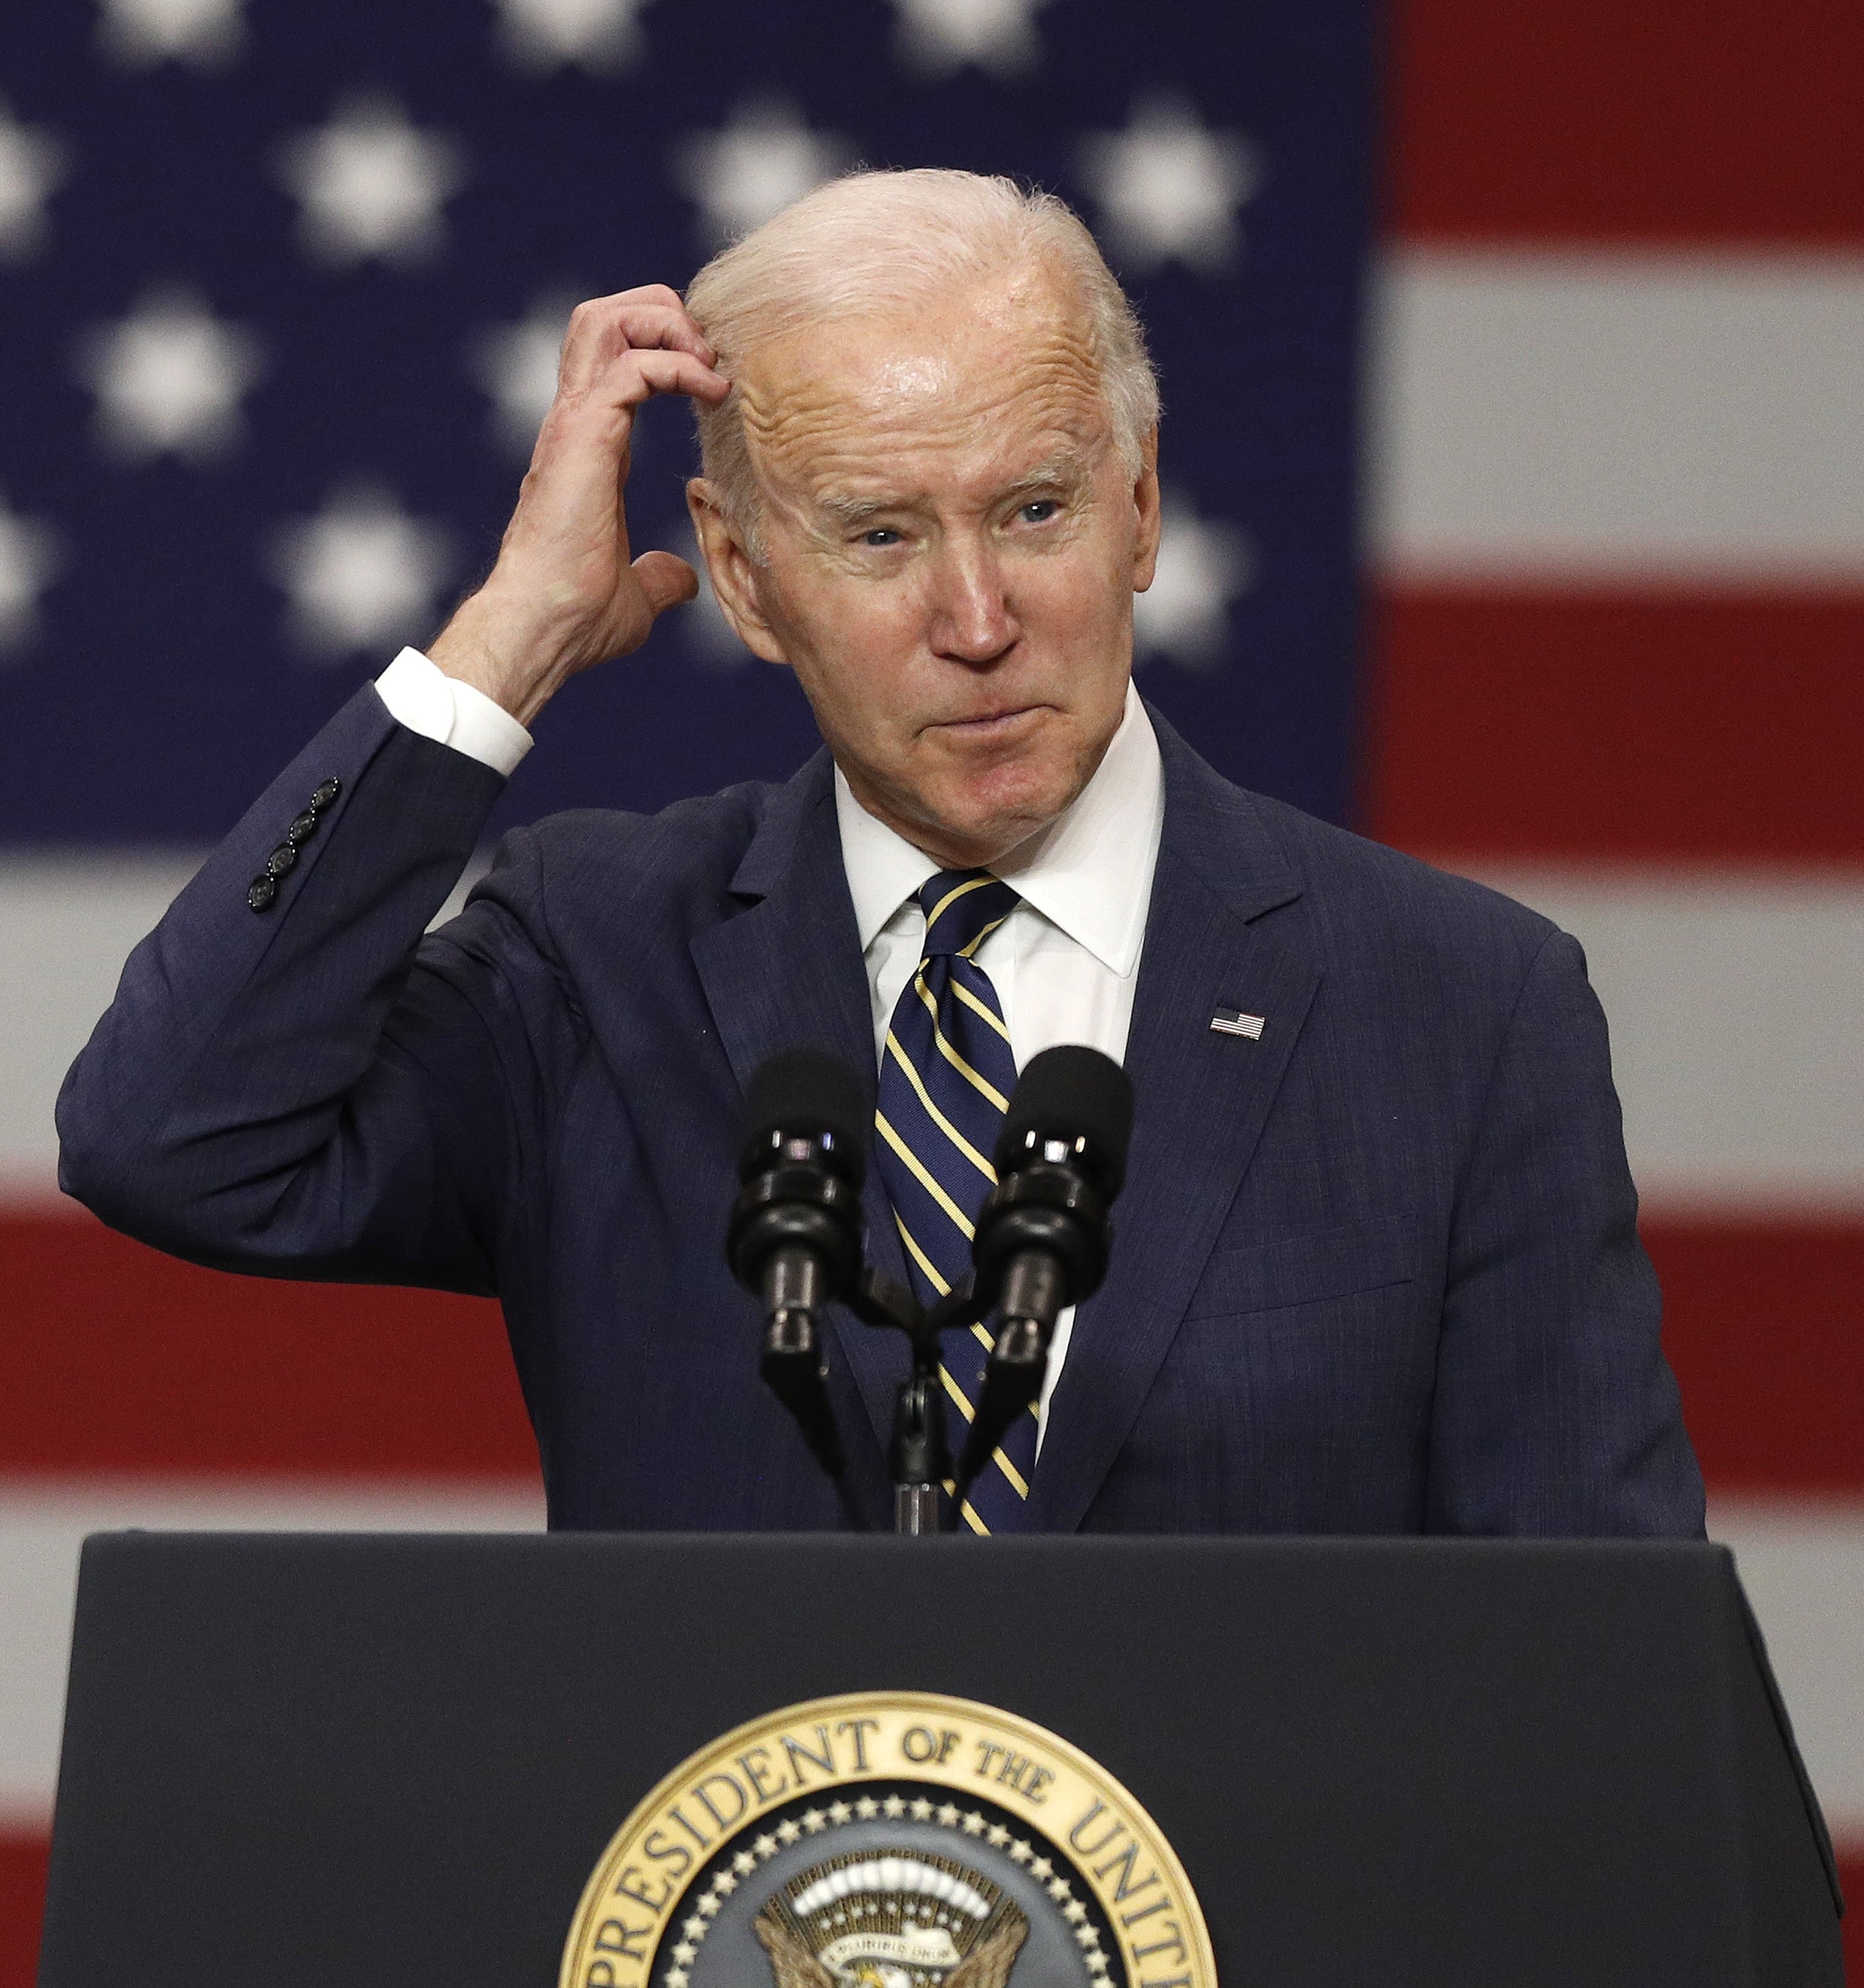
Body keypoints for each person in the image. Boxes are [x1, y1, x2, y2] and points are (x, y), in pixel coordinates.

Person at [57, 170, 1704, 1537]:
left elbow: (1596, 1679)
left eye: (1039, 512)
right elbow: (177, 1139)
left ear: (1143, 506)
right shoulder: (594, 957)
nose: (978, 622)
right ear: (745, 574)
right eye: (879, 535)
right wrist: (506, 647)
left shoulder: (1458, 1011)